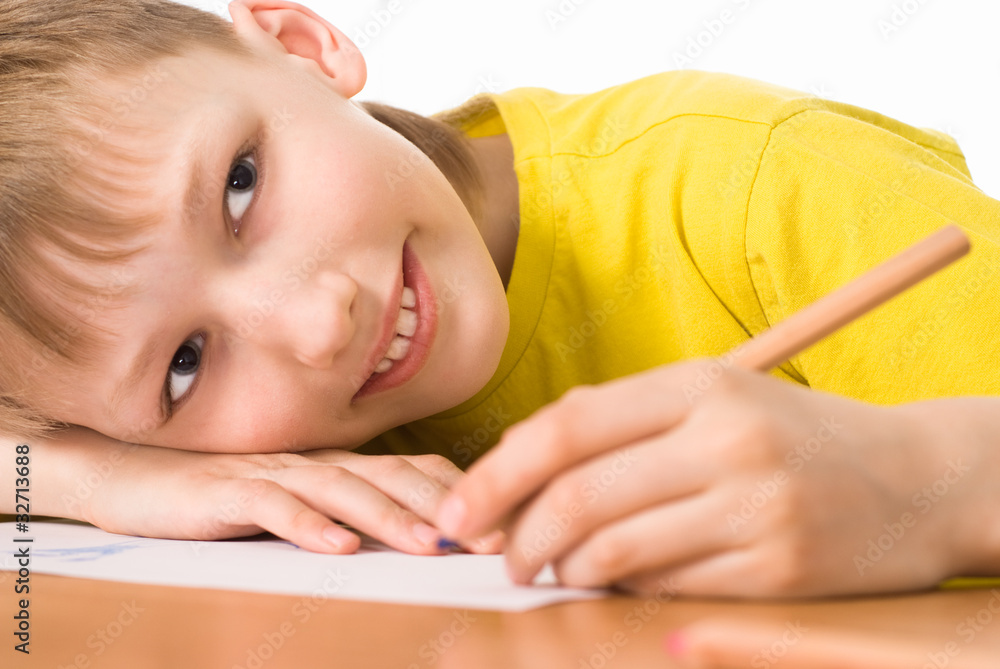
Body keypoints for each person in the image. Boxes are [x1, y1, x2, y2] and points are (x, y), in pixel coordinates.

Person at [0, 0, 998, 600]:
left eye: (240, 186)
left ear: (301, 43)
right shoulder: (208, 451)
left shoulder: (757, 181)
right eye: (184, 366)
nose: (316, 324)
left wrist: (926, 488)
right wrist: (106, 481)